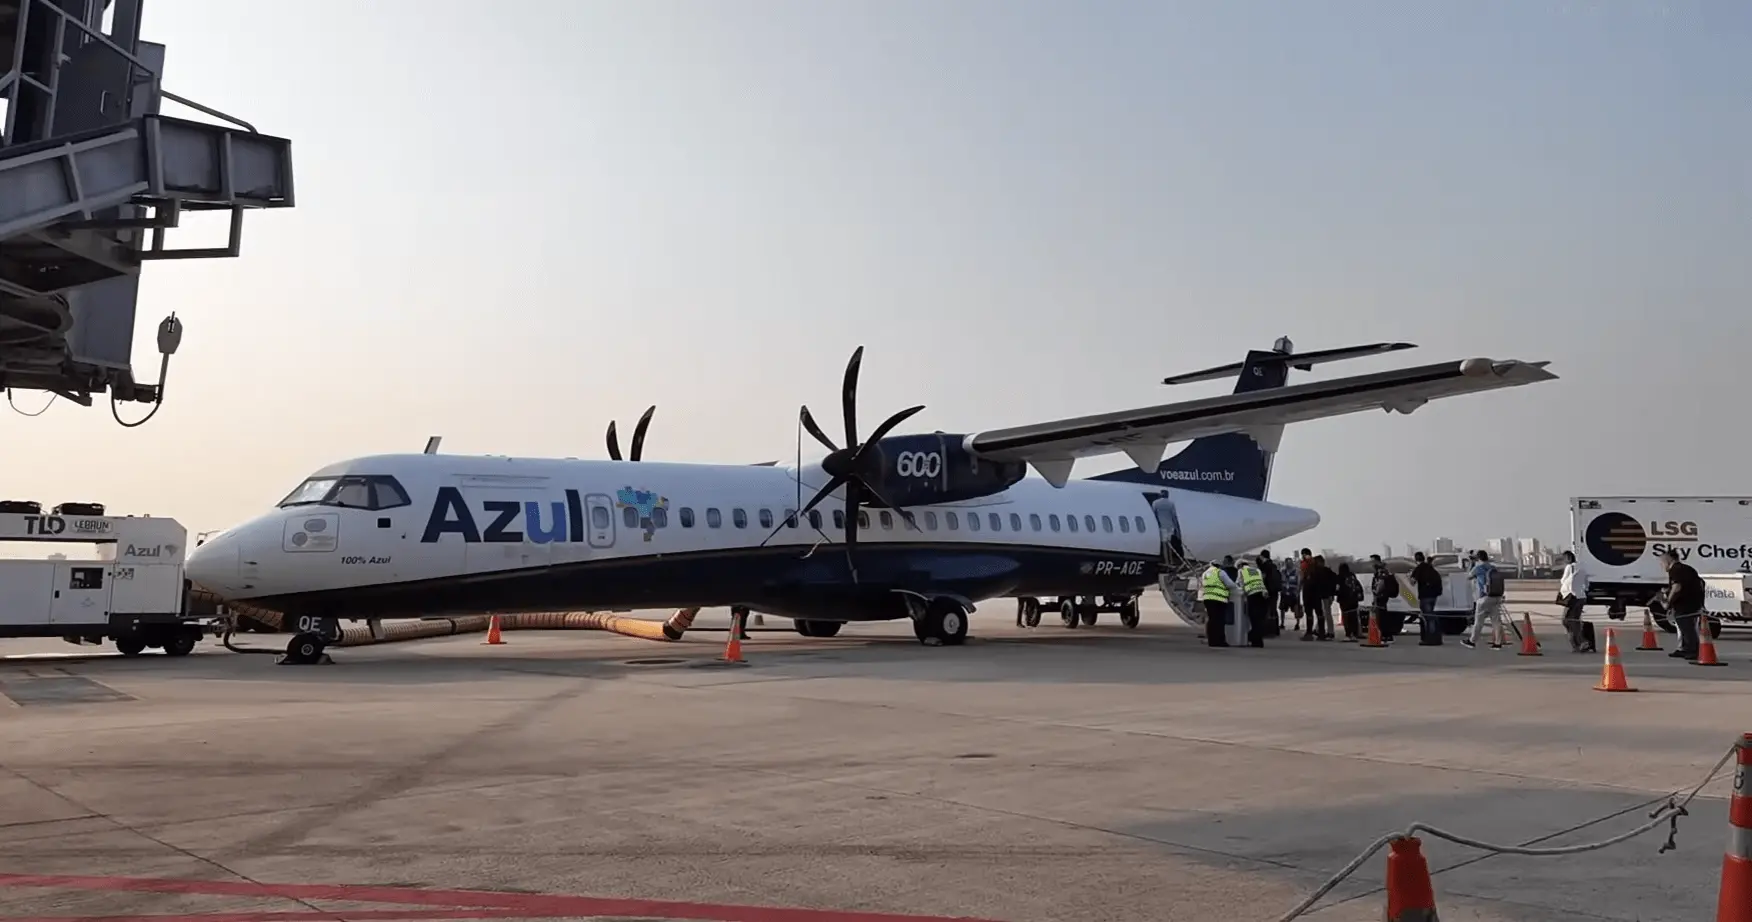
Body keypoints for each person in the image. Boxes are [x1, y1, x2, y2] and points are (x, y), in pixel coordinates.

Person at [1659, 548, 1706, 661]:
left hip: (1685, 604)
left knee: (1687, 628)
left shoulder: (1675, 570)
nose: (1662, 566)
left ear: (1668, 560)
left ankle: (1692, 650)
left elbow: (1677, 587)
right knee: (1685, 627)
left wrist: (1668, 602)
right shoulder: (1687, 568)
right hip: (1693, 602)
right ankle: (1685, 649)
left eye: (1662, 562)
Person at [1462, 550, 1509, 649]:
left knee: (1478, 622)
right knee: (1496, 621)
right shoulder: (1493, 568)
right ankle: (1498, 643)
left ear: (1478, 558)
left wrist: (1472, 563)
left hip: (1484, 598)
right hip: (1496, 596)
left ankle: (1472, 641)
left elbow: (1468, 577)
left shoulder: (1478, 568)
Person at [1198, 556, 1241, 648]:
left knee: (1211, 620)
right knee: (1219, 621)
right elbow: (1230, 584)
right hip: (1219, 599)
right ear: (1219, 565)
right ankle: (1219, 641)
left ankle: (1211, 641)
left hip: (1208, 599)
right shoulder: (1220, 572)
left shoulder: (1205, 573)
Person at [1557, 550, 1594, 653]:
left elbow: (1563, 580)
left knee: (1566, 620)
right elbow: (1587, 583)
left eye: (1564, 559)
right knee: (1575, 620)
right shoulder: (1582, 568)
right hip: (1581, 596)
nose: (1564, 561)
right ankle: (1578, 643)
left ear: (1568, 558)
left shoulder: (1569, 567)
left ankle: (1581, 642)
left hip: (1572, 597)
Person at [1410, 551, 1445, 646]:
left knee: (1428, 617)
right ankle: (1436, 637)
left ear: (1415, 559)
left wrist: (1410, 576)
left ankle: (1430, 638)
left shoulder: (1419, 568)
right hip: (1434, 595)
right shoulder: (1430, 568)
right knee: (1431, 616)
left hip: (1425, 595)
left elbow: (1412, 582)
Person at [1237, 557, 1270, 647]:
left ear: (1240, 565)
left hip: (1252, 595)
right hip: (1262, 595)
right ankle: (1257, 640)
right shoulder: (1257, 570)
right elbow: (1261, 581)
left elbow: (1239, 583)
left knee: (1253, 618)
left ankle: (1255, 640)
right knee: (1259, 619)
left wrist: (1242, 592)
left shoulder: (1241, 571)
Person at [1369, 555, 1402, 642]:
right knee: (1383, 617)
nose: (1371, 564)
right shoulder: (1382, 570)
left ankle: (1385, 636)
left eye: (1372, 561)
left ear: (1377, 561)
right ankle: (1386, 635)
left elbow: (1380, 584)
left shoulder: (1381, 571)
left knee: (1382, 618)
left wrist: (1376, 594)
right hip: (1383, 597)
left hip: (1382, 597)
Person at [1303, 555, 1336, 641]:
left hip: (1316, 595)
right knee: (1320, 614)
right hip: (1318, 596)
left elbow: (1308, 585)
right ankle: (1320, 632)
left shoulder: (1314, 571)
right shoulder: (1320, 571)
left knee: (1318, 614)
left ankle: (1313, 633)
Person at [1256, 551, 1284, 638]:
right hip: (1274, 591)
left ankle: (1268, 630)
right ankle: (1275, 630)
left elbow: (1263, 578)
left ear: (1262, 557)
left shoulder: (1264, 566)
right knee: (1273, 609)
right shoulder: (1273, 565)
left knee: (1266, 610)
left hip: (1267, 590)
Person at [1335, 561, 1364, 641]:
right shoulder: (1353, 576)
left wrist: (1336, 594)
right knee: (1354, 618)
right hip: (1354, 601)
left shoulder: (1340, 577)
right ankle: (1355, 634)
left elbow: (1337, 589)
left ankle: (1348, 634)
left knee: (1346, 618)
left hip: (1344, 601)